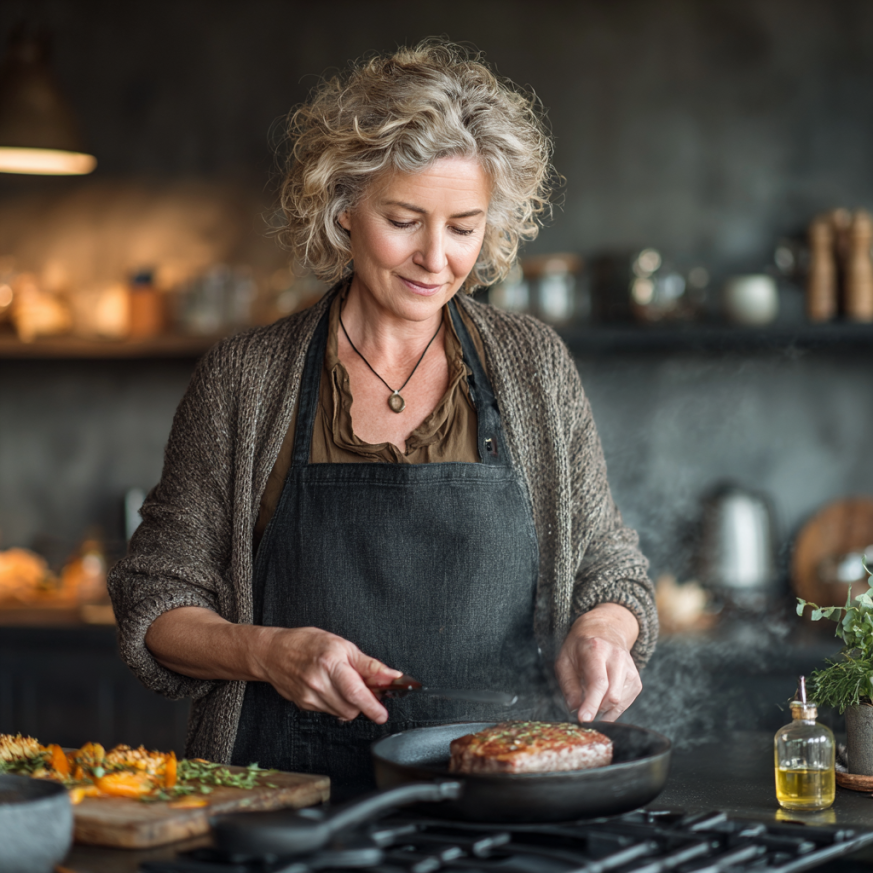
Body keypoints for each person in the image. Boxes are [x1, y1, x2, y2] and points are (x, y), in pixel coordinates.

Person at [108, 40, 657, 796]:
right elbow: (156, 598)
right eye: (404, 220)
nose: (436, 257)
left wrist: (602, 631)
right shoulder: (248, 378)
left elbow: (609, 566)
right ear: (343, 209)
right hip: (281, 796)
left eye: (463, 226)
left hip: (500, 793)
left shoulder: (532, 365)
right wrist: (267, 653)